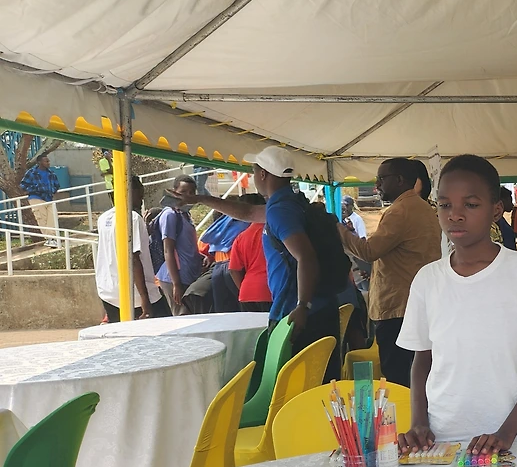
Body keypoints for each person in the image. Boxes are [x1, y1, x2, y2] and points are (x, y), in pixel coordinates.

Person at [397, 154, 517, 457]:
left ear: (496, 210)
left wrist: (506, 433)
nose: (455, 215)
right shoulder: (427, 279)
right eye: (445, 205)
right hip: (440, 442)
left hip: (509, 442)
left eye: (471, 205)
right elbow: (422, 360)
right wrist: (419, 422)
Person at [177, 146, 346, 379]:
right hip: (317, 307)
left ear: (263, 174)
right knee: (320, 384)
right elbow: (247, 212)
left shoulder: (281, 211)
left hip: (297, 314)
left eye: (254, 171)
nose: (254, 176)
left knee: (299, 386)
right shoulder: (291, 203)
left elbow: (305, 257)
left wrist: (302, 305)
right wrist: (200, 199)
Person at [336, 157, 442, 387]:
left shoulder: (400, 211)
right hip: (416, 302)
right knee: (417, 375)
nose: (377, 185)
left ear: (400, 180)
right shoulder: (424, 208)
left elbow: (369, 251)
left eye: (382, 179)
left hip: (397, 308)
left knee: (397, 376)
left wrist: (338, 230)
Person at [94, 175, 169, 322]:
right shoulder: (133, 218)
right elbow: (133, 259)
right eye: (139, 193)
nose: (141, 198)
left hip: (108, 292)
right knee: (166, 326)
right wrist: (144, 298)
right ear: (129, 191)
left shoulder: (103, 218)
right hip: (135, 294)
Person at [155, 175, 206, 314]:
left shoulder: (185, 214)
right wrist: (176, 284)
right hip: (176, 278)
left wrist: (201, 257)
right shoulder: (170, 215)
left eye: (191, 192)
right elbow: (168, 250)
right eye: (183, 192)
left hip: (189, 276)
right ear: (174, 192)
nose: (187, 196)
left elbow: (185, 245)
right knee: (183, 318)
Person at [226, 194, 272, 313]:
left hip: (247, 293)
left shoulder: (241, 237)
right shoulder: (276, 231)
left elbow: (233, 270)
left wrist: (243, 288)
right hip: (272, 290)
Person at [19, 154, 60, 247]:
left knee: (53, 217)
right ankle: (50, 238)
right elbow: (23, 185)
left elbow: (57, 185)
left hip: (49, 198)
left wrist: (52, 190)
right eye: (46, 161)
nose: (48, 163)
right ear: (39, 162)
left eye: (48, 161)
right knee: (42, 218)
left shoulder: (51, 173)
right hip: (36, 197)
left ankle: (51, 238)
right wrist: (35, 189)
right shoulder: (31, 173)